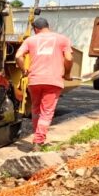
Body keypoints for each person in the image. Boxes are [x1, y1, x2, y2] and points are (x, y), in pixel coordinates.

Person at [15, 17, 73, 152]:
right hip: (53, 81)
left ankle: (37, 137)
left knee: (36, 110)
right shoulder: (62, 39)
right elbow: (69, 58)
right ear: (48, 26)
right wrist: (68, 73)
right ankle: (38, 141)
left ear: (36, 29)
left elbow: (18, 56)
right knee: (46, 112)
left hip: (35, 80)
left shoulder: (30, 40)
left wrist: (24, 70)